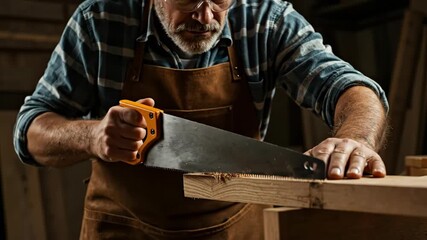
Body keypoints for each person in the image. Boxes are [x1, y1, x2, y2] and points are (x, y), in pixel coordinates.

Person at [13, 0, 388, 238]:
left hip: (235, 229)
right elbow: (31, 129)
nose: (205, 16)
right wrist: (93, 136)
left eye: (219, 1)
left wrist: (357, 137)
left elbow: (350, 87)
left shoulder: (268, 19)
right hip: (123, 227)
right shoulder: (98, 20)